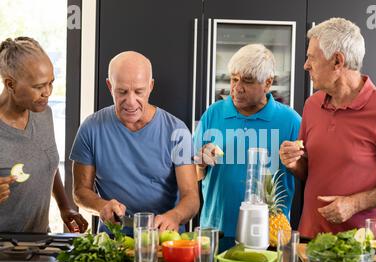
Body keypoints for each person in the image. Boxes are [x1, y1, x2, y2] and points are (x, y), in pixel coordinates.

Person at [279, 18, 376, 239]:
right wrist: (294, 163)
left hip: (360, 247)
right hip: (309, 239)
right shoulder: (312, 105)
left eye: (311, 58)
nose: (306, 65)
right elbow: (309, 171)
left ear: (337, 61)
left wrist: (355, 203)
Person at [70, 51, 199, 235]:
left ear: (151, 86)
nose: (130, 102)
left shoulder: (177, 131)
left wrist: (175, 216)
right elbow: (80, 191)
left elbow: (191, 196)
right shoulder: (91, 128)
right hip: (113, 245)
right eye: (122, 92)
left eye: (139, 91)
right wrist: (102, 206)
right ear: (109, 86)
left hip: (164, 242)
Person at [194, 44, 302, 237]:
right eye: (234, 79)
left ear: (268, 83)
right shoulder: (213, 114)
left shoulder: (291, 121)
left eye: (247, 81)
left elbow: (307, 176)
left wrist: (295, 164)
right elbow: (194, 175)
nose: (237, 88)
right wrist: (201, 163)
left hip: (268, 234)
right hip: (215, 232)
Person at [0, 37, 88, 233]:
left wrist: (65, 208)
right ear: (10, 84)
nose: (47, 92)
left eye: (51, 83)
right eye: (38, 87)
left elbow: (47, 162)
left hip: (38, 243)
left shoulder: (42, 113)